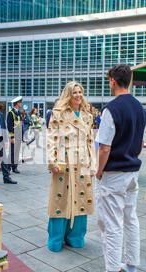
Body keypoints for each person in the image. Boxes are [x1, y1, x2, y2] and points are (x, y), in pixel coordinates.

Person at [87, 65, 146, 272]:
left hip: (114, 173)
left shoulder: (111, 109)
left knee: (111, 223)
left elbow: (104, 147)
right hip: (132, 171)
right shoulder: (140, 108)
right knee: (131, 219)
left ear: (112, 80)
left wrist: (99, 171)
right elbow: (140, 143)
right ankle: (131, 267)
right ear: (129, 80)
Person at [46, 81, 96, 252]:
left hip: (82, 161)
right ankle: (56, 239)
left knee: (81, 198)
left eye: (80, 92)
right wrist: (52, 161)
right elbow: (51, 137)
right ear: (68, 94)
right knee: (60, 199)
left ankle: (75, 237)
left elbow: (90, 141)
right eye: (75, 92)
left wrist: (93, 163)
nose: (78, 95)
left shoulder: (87, 115)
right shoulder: (58, 113)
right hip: (63, 161)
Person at [7, 96, 23, 174]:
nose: (21, 104)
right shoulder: (11, 113)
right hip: (14, 136)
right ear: (17, 103)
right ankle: (8, 168)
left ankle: (15, 167)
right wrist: (12, 137)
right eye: (20, 102)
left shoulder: (18, 112)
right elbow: (9, 126)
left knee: (17, 152)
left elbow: (19, 124)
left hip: (19, 135)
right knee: (12, 152)